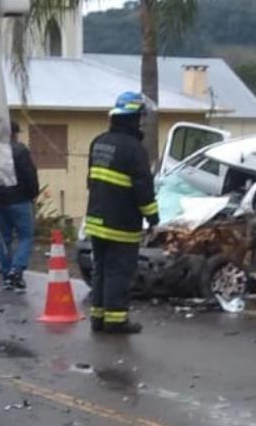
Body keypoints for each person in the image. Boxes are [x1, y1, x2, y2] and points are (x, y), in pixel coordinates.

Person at [84, 91, 159, 334]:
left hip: (95, 218)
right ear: (133, 117)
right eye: (139, 117)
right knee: (119, 271)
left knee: (101, 269)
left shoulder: (98, 141)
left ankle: (98, 316)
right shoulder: (134, 149)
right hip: (120, 223)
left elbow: (90, 181)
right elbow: (143, 188)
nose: (141, 122)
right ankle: (116, 320)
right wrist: (153, 217)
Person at [0, 121, 39, 293]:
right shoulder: (19, 150)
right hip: (19, 199)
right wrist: (33, 194)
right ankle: (17, 269)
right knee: (25, 236)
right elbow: (29, 174)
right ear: (13, 133)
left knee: (2, 237)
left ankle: (7, 276)